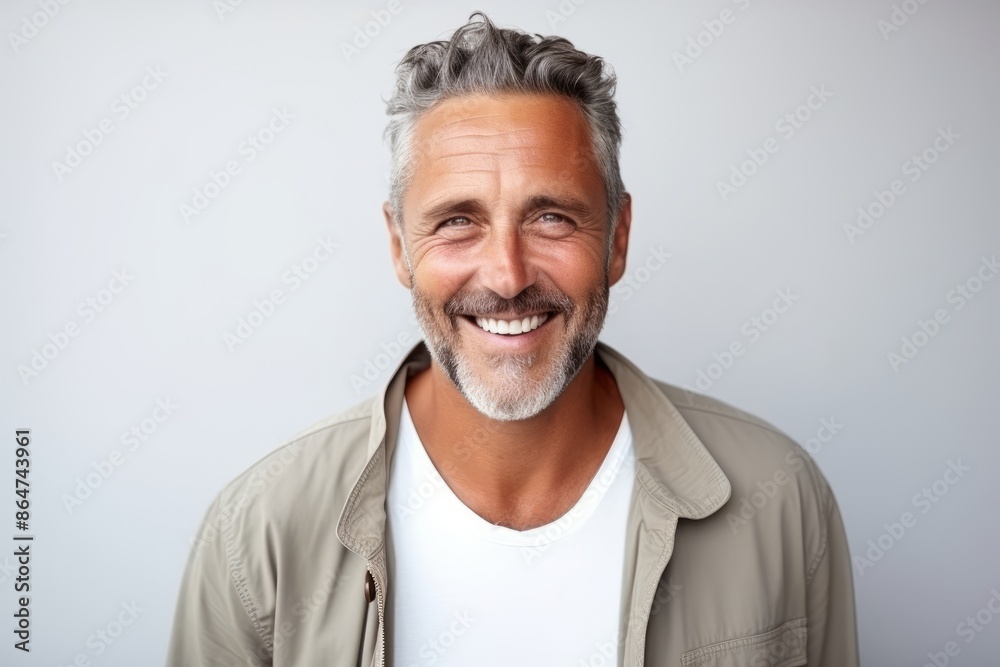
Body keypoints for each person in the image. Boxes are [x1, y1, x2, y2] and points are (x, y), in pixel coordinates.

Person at [167, 11, 859, 666]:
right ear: (399, 246)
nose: (507, 275)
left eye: (552, 216)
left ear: (617, 237)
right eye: (457, 221)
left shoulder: (778, 500)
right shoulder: (257, 534)